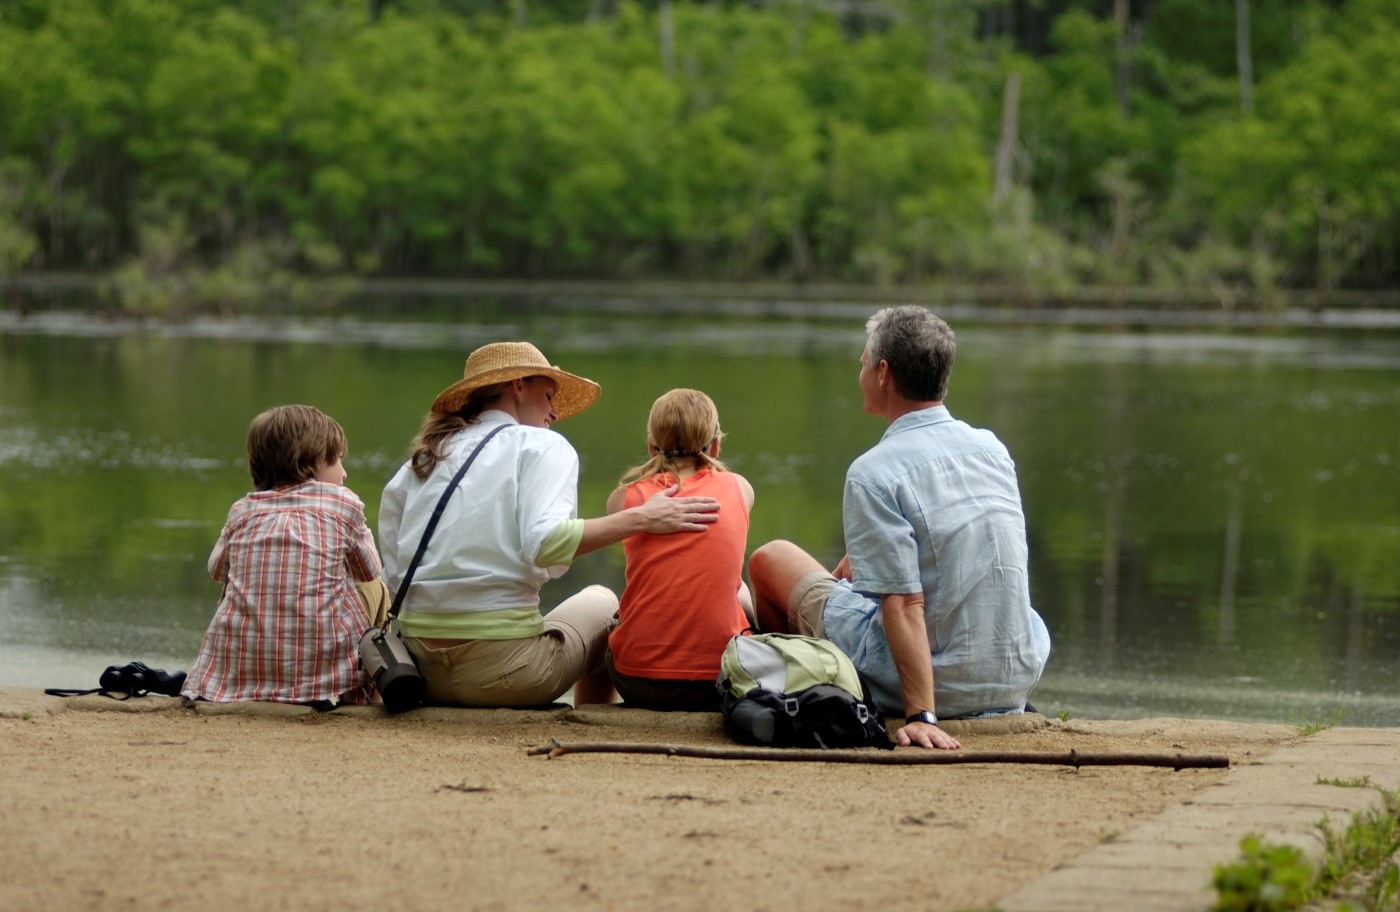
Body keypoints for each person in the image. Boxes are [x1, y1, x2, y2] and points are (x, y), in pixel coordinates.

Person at [747, 305, 1050, 751]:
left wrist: (922, 716)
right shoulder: (991, 449)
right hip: (1012, 676)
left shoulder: (875, 471)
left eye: (862, 363)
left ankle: (796, 694)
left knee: (770, 559)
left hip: (938, 687)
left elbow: (906, 602)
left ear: (883, 372)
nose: (860, 373)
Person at [378, 341, 721, 709]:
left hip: (416, 673)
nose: (554, 412)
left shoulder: (425, 457)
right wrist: (643, 517)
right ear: (518, 387)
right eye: (549, 395)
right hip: (505, 676)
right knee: (605, 604)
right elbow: (547, 545)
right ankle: (593, 720)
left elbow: (395, 574)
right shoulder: (541, 446)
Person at [183, 405, 392, 708]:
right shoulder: (345, 504)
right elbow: (370, 570)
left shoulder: (242, 510)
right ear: (312, 462)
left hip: (240, 675)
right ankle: (369, 688)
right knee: (377, 589)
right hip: (325, 678)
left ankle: (253, 673)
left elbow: (217, 571)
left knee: (238, 582)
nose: (344, 473)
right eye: (337, 460)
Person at [604, 389, 755, 711]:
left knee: (607, 621)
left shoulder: (623, 499)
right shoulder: (740, 488)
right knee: (740, 589)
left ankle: (590, 710)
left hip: (639, 682)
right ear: (715, 444)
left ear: (650, 445)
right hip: (721, 680)